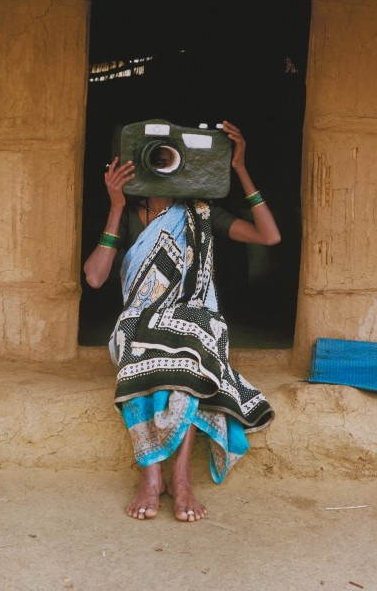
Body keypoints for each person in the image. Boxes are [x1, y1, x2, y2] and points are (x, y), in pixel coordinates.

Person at [83, 121, 281, 522]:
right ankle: (151, 475)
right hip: (139, 319)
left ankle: (180, 476)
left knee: (191, 344)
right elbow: (95, 277)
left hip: (194, 316)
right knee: (141, 343)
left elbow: (269, 236)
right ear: (138, 163)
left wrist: (239, 168)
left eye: (169, 158)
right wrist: (116, 205)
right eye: (155, 157)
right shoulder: (129, 214)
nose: (163, 166)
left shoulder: (202, 212)